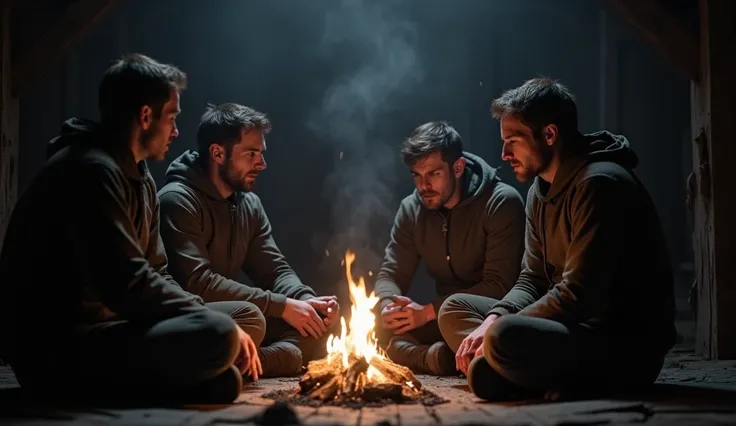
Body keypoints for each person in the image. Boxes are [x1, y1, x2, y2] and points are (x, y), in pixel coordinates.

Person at [0, 54, 263, 405]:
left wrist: (199, 310)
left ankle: (153, 380)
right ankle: (96, 387)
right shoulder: (91, 170)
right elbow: (127, 283)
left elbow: (156, 271)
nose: (176, 131)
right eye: (171, 118)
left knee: (241, 325)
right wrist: (202, 316)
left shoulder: (140, 178)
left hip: (114, 326)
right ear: (144, 117)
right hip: (60, 348)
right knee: (219, 333)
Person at [461, 77, 676, 401]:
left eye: (513, 141)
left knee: (503, 337)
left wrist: (500, 327)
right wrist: (493, 317)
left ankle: (591, 383)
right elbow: (531, 279)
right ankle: (563, 381)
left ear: (549, 135)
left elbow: (579, 294)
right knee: (483, 373)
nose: (504, 153)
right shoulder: (539, 191)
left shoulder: (599, 184)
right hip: (577, 331)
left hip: (624, 344)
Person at [157, 102, 339, 378]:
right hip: (191, 313)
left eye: (261, 154)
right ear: (217, 153)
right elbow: (198, 283)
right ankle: (270, 359)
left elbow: (274, 270)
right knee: (250, 318)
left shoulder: (249, 204)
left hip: (235, 314)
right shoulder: (177, 200)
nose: (262, 164)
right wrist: (282, 306)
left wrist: (306, 301)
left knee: (322, 326)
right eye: (251, 154)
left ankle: (249, 363)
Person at [374, 121, 525, 376]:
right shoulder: (412, 209)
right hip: (439, 318)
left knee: (446, 321)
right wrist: (389, 307)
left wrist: (427, 312)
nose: (424, 186)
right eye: (417, 175)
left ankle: (436, 357)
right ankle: (440, 357)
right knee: (378, 329)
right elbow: (391, 273)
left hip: (489, 313)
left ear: (457, 167)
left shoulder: (501, 202)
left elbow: (501, 285)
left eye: (433, 174)